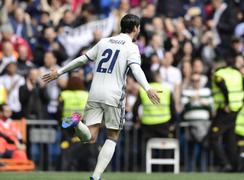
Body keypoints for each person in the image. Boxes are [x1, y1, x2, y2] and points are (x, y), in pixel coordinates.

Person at [41, 14, 160, 180]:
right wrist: (147, 88)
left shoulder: (104, 41)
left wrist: (60, 72)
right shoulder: (131, 47)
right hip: (113, 95)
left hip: (95, 92)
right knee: (113, 136)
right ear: (135, 28)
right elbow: (136, 69)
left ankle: (77, 123)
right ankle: (96, 177)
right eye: (138, 27)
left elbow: (82, 59)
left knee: (90, 137)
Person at [132, 70, 176, 170]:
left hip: (147, 125)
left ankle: (146, 169)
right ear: (158, 77)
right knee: (166, 148)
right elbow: (173, 109)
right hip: (164, 124)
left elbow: (135, 108)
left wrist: (136, 120)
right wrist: (173, 123)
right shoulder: (166, 89)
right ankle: (167, 170)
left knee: (146, 149)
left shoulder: (143, 90)